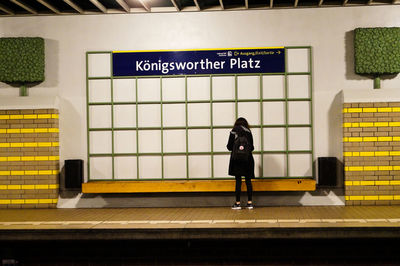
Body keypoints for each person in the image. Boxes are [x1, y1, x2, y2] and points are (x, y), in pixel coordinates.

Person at [226, 117, 255, 210]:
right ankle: (249, 203)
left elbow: (229, 147)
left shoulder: (233, 132)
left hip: (236, 160)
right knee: (248, 181)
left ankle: (238, 203)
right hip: (248, 159)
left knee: (238, 181)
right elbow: (252, 147)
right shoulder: (249, 132)